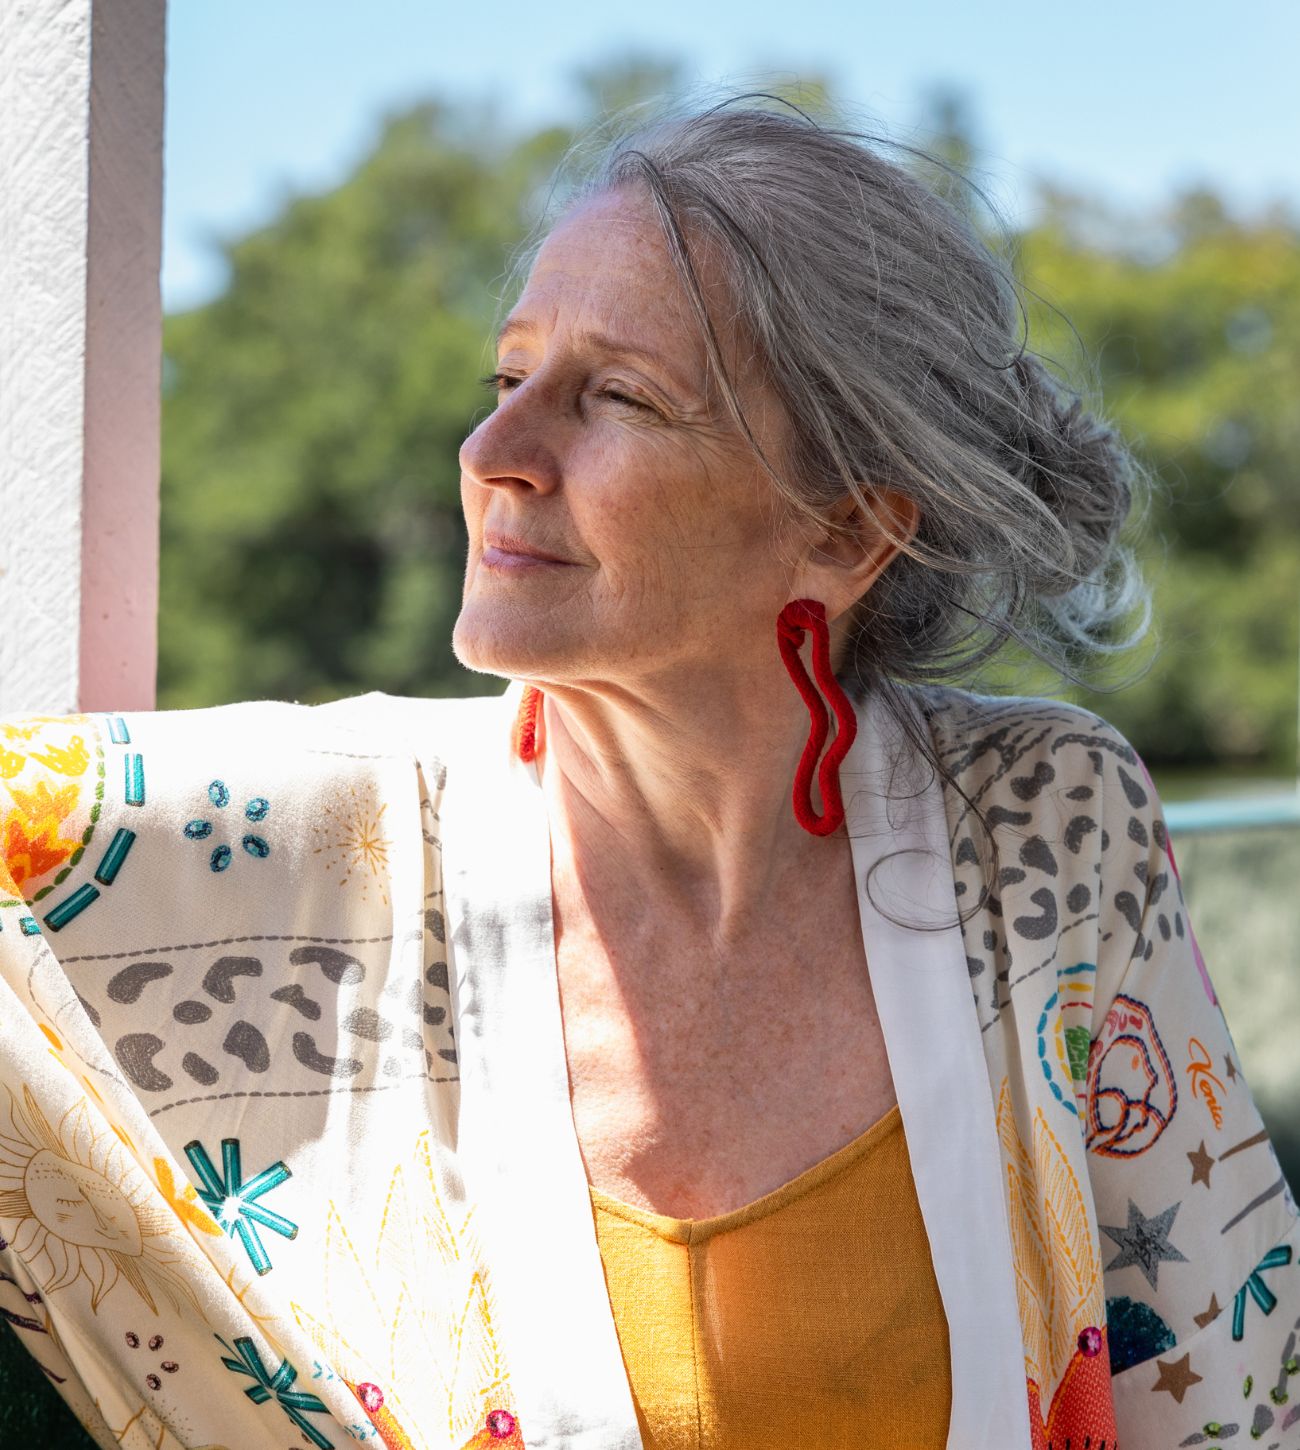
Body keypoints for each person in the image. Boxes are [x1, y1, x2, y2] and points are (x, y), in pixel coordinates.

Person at [0, 94, 1296, 1450]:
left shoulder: (1038, 824)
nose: (493, 455)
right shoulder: (324, 825)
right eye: (508, 379)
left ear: (846, 533)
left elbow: (1234, 1393)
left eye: (614, 396)